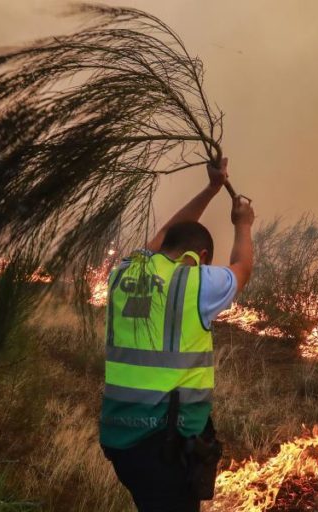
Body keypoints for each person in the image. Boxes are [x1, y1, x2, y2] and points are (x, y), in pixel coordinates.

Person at [100, 157, 254, 512]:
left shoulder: (124, 273)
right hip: (163, 447)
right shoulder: (194, 282)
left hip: (120, 439)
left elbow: (162, 237)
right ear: (199, 256)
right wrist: (243, 224)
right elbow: (242, 269)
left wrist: (212, 189)